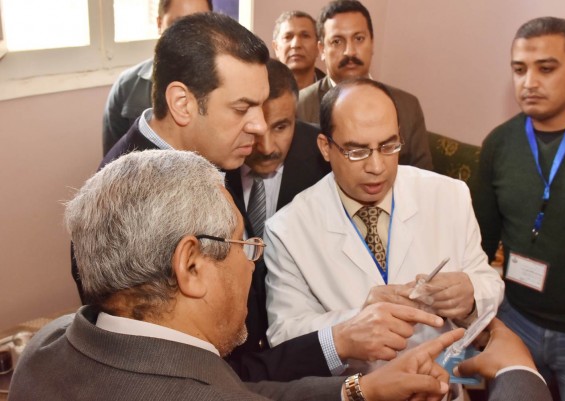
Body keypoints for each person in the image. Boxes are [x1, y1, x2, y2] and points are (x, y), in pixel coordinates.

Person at [73, 12, 447, 383]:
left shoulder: (213, 151)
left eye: (262, 106)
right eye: (242, 108)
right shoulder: (123, 211)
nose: (259, 127)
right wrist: (353, 379)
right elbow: (211, 378)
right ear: (183, 103)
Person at [13, 149, 474, 401]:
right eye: (242, 244)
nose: (253, 260)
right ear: (191, 266)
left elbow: (239, 388)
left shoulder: (45, 346)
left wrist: (360, 390)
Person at [265, 78, 504, 372]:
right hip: (355, 385)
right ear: (326, 147)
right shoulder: (287, 230)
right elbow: (285, 335)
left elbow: (486, 279)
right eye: (357, 151)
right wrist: (354, 322)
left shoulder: (449, 195)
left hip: (441, 381)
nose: (376, 167)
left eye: (389, 146)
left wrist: (471, 296)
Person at [472, 16, 565, 401]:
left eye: (545, 68)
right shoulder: (499, 144)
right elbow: (480, 243)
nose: (529, 82)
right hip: (515, 323)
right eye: (519, 69)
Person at [224, 58, 330, 362]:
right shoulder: (213, 162)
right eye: (255, 130)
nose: (267, 146)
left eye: (281, 126)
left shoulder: (325, 160)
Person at [296, 0, 432, 170]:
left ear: (372, 43)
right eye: (337, 41)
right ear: (322, 50)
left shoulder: (408, 106)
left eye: (359, 39)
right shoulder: (300, 106)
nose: (350, 51)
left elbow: (423, 178)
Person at [101, 0, 212, 155]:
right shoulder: (127, 87)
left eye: (200, 24)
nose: (191, 36)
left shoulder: (228, 86)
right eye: (179, 24)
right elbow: (113, 163)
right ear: (160, 24)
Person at [272, 11, 325, 90]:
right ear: (276, 47)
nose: (296, 44)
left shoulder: (334, 93)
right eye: (287, 37)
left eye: (305, 36)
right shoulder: (260, 90)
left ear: (318, 47)